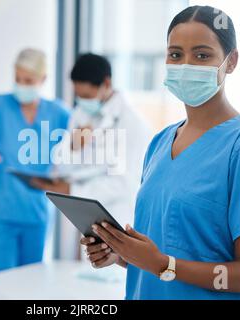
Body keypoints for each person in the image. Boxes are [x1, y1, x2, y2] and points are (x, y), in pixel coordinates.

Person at [80, 6, 240, 300]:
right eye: (175, 55)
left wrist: (163, 265)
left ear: (231, 61)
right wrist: (121, 254)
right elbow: (166, 253)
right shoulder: (160, 143)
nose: (186, 65)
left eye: (202, 55)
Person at [0, 48, 70, 273]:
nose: (21, 85)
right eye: (17, 79)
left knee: (29, 286)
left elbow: (82, 142)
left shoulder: (58, 113)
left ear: (43, 79)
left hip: (36, 214)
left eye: (28, 80)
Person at [32, 53, 151, 229]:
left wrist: (72, 191)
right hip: (88, 216)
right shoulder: (80, 114)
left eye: (87, 95)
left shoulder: (131, 124)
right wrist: (73, 147)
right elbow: (62, 165)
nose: (82, 101)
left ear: (107, 84)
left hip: (118, 216)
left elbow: (124, 183)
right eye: (78, 96)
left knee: (113, 256)